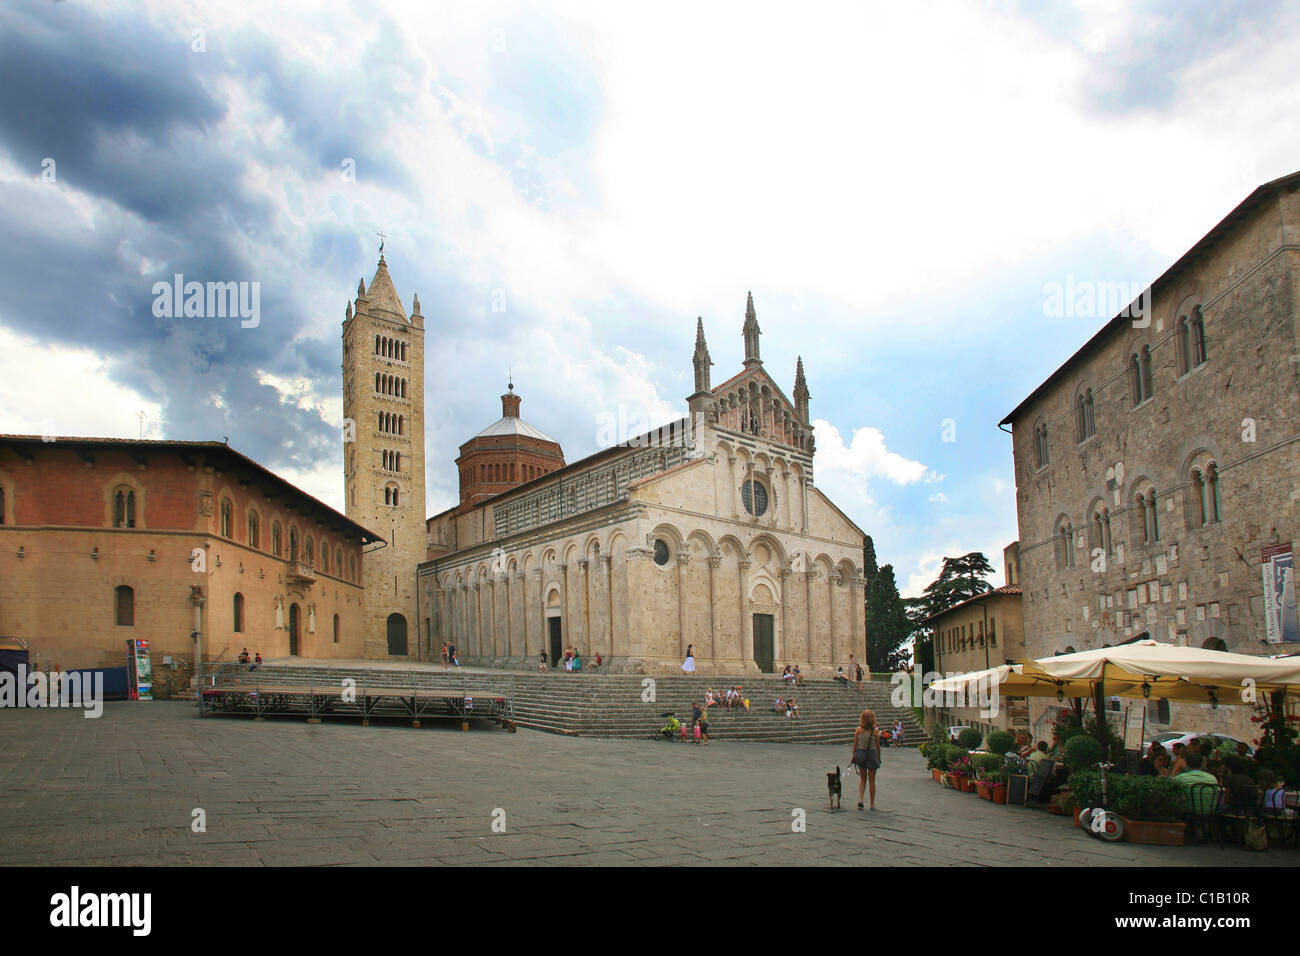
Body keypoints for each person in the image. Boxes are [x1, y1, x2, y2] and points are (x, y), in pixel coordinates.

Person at [851, 709, 882, 810]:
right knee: (872, 780)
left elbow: (855, 745)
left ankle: (860, 799)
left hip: (861, 754)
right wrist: (879, 758)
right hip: (872, 755)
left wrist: (853, 756)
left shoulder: (858, 730)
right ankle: (872, 803)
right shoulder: (875, 731)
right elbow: (878, 746)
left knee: (862, 778)